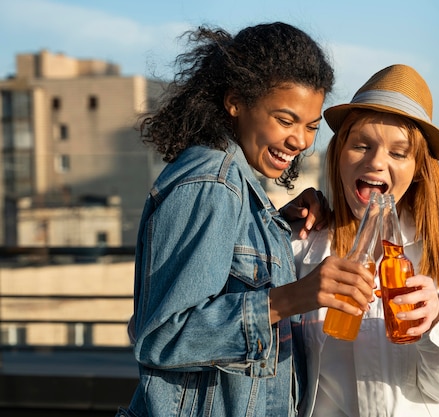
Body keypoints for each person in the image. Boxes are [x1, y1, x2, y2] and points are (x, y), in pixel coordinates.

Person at [116, 22, 376, 417]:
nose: (301, 141)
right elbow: (162, 337)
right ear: (235, 101)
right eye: (286, 120)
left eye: (310, 126)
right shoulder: (212, 182)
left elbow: (224, 275)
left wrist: (274, 223)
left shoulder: (233, 184)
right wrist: (296, 296)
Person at [291, 64, 439, 416]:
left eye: (398, 152)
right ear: (339, 154)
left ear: (418, 168)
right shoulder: (304, 244)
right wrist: (277, 222)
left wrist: (438, 320)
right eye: (361, 145)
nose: (376, 162)